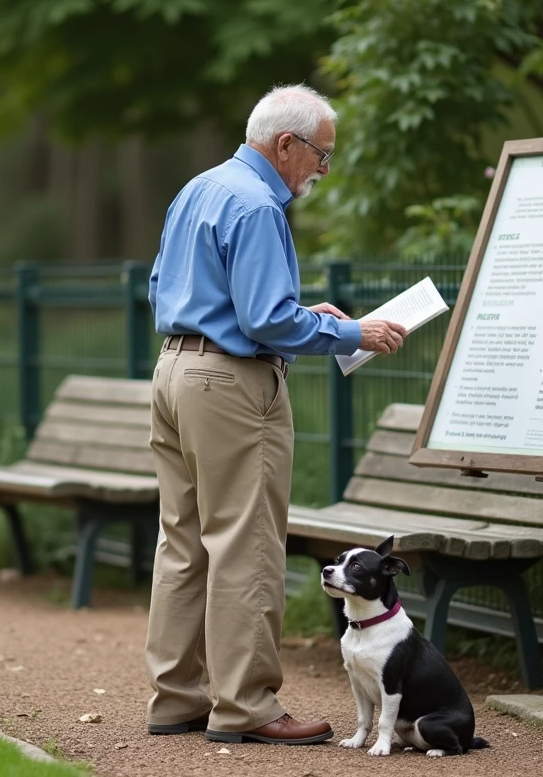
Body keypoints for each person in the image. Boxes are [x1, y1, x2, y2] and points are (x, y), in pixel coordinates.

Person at [143, 84, 408, 746]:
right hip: (232, 387)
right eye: (320, 155)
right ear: (285, 143)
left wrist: (303, 316)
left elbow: (164, 287)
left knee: (182, 545)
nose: (323, 169)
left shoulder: (200, 188)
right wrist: (353, 335)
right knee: (247, 546)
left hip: (175, 370)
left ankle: (176, 698)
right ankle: (248, 706)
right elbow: (263, 319)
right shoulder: (259, 204)